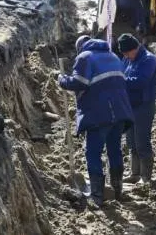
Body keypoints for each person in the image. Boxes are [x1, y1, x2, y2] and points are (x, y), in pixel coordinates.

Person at [59, 35, 133, 207]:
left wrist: (62, 80)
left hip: (99, 114)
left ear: (80, 48)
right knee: (114, 150)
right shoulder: (113, 56)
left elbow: (79, 82)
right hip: (120, 112)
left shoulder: (85, 57)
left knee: (93, 153)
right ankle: (117, 190)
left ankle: (97, 196)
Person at [117, 33, 156, 185]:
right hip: (129, 105)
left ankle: (146, 177)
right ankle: (135, 173)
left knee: (142, 141)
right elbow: (121, 72)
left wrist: (120, 80)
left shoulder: (148, 59)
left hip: (143, 105)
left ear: (135, 47)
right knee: (131, 141)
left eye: (128, 53)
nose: (127, 56)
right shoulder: (127, 59)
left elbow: (140, 81)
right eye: (124, 54)